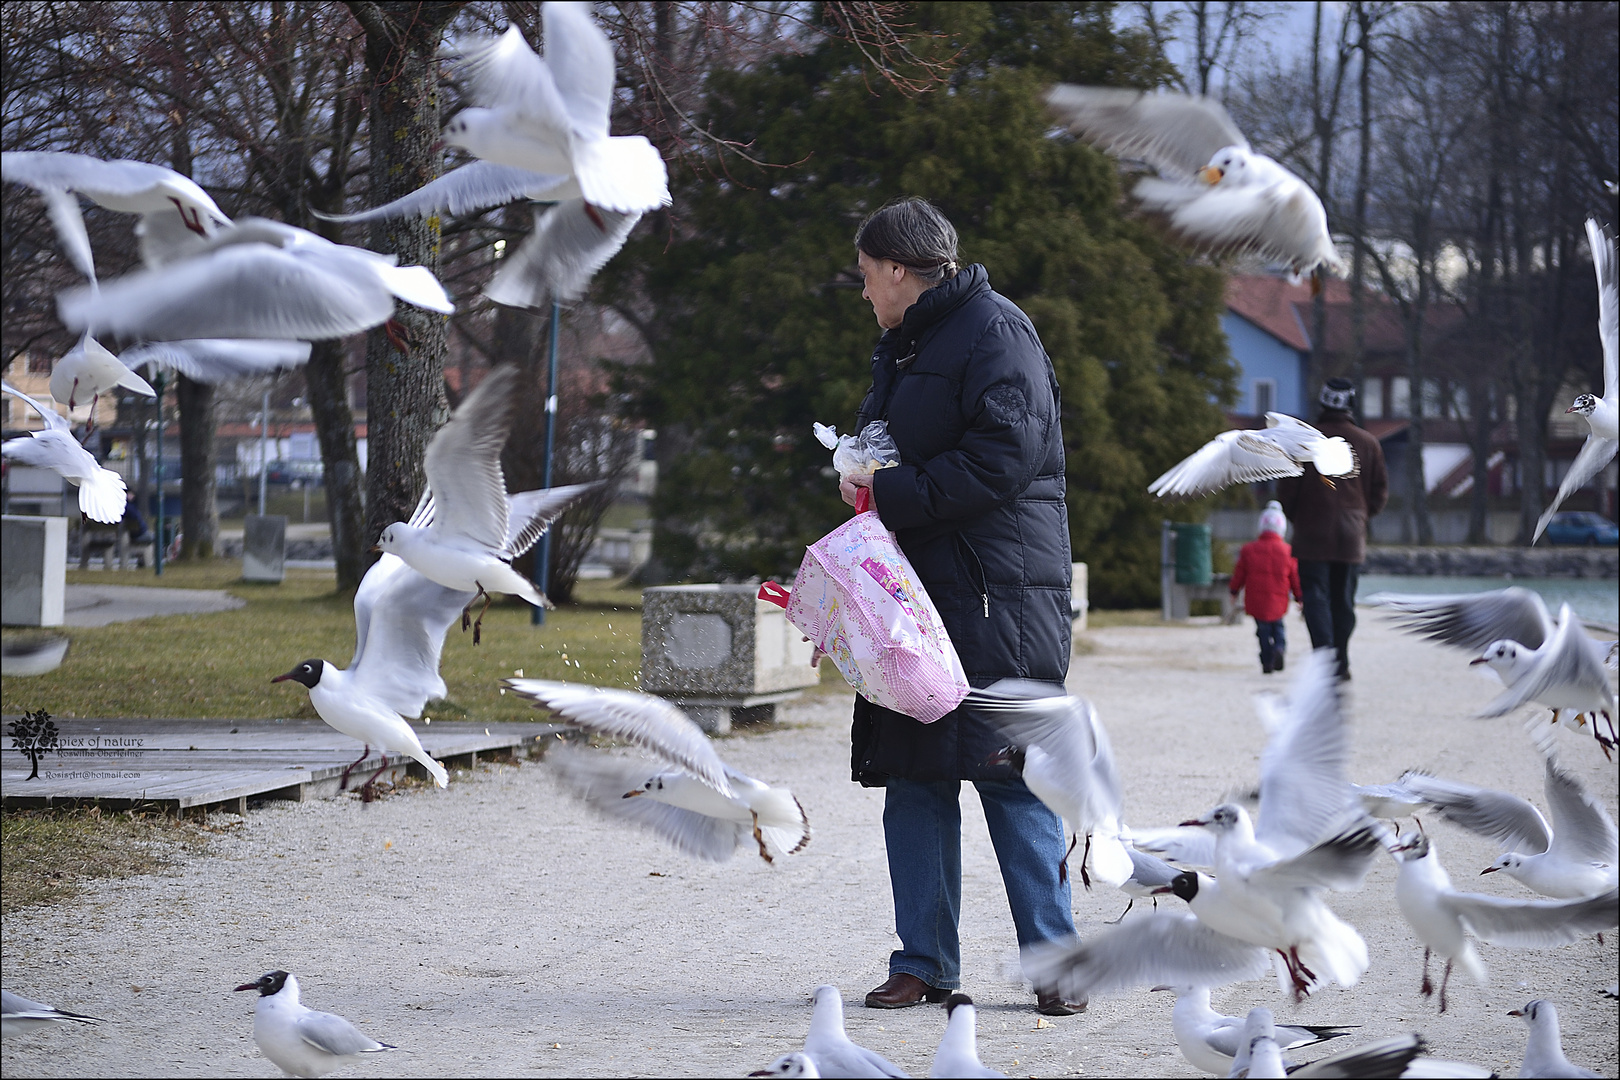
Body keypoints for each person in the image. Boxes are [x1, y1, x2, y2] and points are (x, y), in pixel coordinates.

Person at [838, 198, 1082, 1016]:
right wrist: (861, 466)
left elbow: (1002, 459)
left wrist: (893, 489)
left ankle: (1056, 965)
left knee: (1009, 778)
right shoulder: (904, 342)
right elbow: (897, 439)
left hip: (996, 596)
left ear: (899, 269)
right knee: (913, 777)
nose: (863, 289)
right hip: (913, 599)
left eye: (867, 274)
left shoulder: (995, 331)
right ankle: (923, 961)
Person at [1275, 377, 1388, 681]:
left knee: (1315, 596)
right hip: (1351, 534)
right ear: (1351, 404)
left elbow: (1286, 491)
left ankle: (1323, 659)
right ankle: (1340, 659)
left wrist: (1300, 517)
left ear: (1322, 402)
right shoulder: (1369, 444)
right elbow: (1379, 494)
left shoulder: (1304, 440)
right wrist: (1361, 517)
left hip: (1312, 530)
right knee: (1343, 600)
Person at [1229, 500, 1302, 674]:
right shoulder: (1288, 552)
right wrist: (1300, 597)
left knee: (1262, 631)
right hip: (1278, 599)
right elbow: (1295, 578)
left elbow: (1239, 574)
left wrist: (1234, 591)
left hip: (1256, 599)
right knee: (1278, 627)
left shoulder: (1248, 550)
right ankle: (1279, 648)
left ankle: (1267, 661)